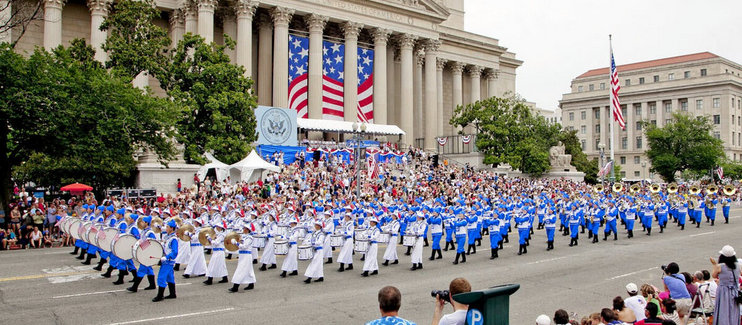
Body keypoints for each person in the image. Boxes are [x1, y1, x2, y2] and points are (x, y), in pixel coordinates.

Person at [710, 245, 740, 325]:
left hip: (723, 291)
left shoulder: (720, 266)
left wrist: (714, 265)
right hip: (734, 291)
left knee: (723, 310)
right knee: (733, 310)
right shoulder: (738, 265)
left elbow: (713, 275)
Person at [152, 220, 178, 302]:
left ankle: (160, 295)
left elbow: (175, 251)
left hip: (168, 261)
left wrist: (167, 257)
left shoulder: (173, 239)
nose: (166, 228)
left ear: (172, 228)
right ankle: (172, 294)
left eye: (167, 227)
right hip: (166, 260)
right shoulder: (168, 236)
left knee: (161, 277)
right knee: (170, 277)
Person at [229, 222, 256, 292]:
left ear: (248, 229)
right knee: (248, 270)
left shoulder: (250, 237)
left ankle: (235, 286)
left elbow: (244, 246)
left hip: (246, 255)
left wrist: (236, 243)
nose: (243, 229)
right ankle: (251, 284)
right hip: (242, 255)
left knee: (240, 270)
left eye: (245, 228)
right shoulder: (243, 236)